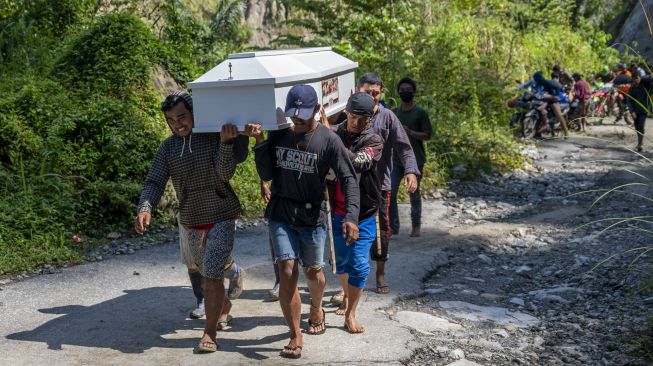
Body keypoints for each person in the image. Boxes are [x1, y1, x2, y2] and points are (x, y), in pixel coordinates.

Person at [246, 84, 360, 359]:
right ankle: (295, 335)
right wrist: (260, 142)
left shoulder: (328, 140)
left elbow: (348, 178)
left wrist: (351, 216)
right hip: (281, 212)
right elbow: (267, 172)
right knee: (286, 270)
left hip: (312, 216)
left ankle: (316, 307)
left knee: (314, 274)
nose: (297, 121)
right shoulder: (279, 133)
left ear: (317, 110)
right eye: (293, 116)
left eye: (303, 117)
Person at [134, 90, 248, 353]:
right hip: (190, 219)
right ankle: (224, 304)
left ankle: (209, 334)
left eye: (182, 116)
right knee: (203, 269)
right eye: (171, 120)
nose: (178, 123)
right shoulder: (168, 148)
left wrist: (226, 143)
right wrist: (145, 206)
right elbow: (154, 181)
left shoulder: (212, 137)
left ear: (195, 113)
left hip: (221, 214)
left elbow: (225, 173)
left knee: (211, 274)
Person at [358, 72, 419, 294]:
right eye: (367, 92)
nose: (372, 97)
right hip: (351, 186)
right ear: (357, 91)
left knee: (381, 231)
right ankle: (349, 281)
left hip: (380, 186)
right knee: (347, 230)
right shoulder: (348, 116)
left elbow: (404, 147)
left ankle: (380, 273)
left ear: (381, 93)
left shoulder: (388, 117)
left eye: (376, 93)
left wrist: (410, 171)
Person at [328, 92, 384, 333]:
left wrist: (330, 139)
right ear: (346, 113)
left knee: (360, 265)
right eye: (353, 117)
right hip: (336, 210)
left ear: (370, 119)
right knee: (341, 262)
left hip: (364, 213)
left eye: (364, 119)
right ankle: (347, 296)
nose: (357, 123)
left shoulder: (374, 140)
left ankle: (351, 313)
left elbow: (358, 163)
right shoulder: (332, 132)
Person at [390, 77, 432, 237]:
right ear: (398, 92)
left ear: (413, 92)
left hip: (416, 160)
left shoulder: (420, 113)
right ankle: (394, 227)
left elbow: (428, 135)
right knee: (390, 192)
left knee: (413, 193)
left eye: (408, 90)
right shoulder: (394, 112)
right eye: (402, 90)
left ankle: (416, 226)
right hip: (396, 160)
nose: (405, 92)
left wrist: (411, 133)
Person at [260, 180, 281, 301]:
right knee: (275, 238)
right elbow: (265, 161)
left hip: (308, 191)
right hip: (280, 191)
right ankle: (280, 281)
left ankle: (313, 280)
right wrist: (264, 182)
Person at [533, 71, 570, 138]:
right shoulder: (558, 84)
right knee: (559, 116)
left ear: (551, 76)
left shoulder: (548, 82)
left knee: (539, 114)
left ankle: (536, 133)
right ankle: (566, 133)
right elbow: (563, 91)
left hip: (545, 100)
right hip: (553, 101)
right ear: (557, 77)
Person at [627, 73, 653, 152]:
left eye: (637, 78)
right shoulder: (632, 88)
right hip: (635, 111)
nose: (636, 80)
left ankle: (640, 144)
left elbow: (650, 81)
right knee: (637, 127)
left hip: (643, 110)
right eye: (634, 79)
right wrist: (631, 111)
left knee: (641, 126)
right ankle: (640, 143)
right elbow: (629, 100)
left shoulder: (646, 86)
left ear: (640, 78)